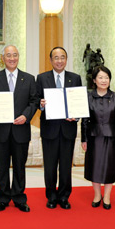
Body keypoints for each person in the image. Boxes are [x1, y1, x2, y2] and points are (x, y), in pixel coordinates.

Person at [0, 45, 38, 213]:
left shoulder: (29, 78)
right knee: (1, 167)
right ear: (3, 58)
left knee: (19, 167)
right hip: (1, 132)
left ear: (18, 57)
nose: (11, 58)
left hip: (21, 130)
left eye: (14, 55)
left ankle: (19, 198)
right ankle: (2, 198)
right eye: (8, 55)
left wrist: (26, 116)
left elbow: (34, 101)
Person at [36, 46, 81, 209]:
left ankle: (64, 196)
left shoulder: (75, 78)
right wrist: (41, 105)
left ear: (66, 60)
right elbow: (36, 101)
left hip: (68, 128)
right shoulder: (41, 78)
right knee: (50, 166)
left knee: (65, 165)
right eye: (56, 57)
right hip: (49, 129)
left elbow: (78, 102)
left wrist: (76, 114)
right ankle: (51, 196)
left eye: (62, 57)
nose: (59, 60)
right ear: (50, 60)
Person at [81, 66, 115, 210]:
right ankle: (97, 195)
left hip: (111, 138)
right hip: (93, 137)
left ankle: (107, 196)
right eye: (100, 77)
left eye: (106, 77)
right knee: (95, 167)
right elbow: (85, 120)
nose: (104, 80)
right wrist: (84, 139)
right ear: (94, 80)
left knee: (109, 167)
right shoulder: (88, 96)